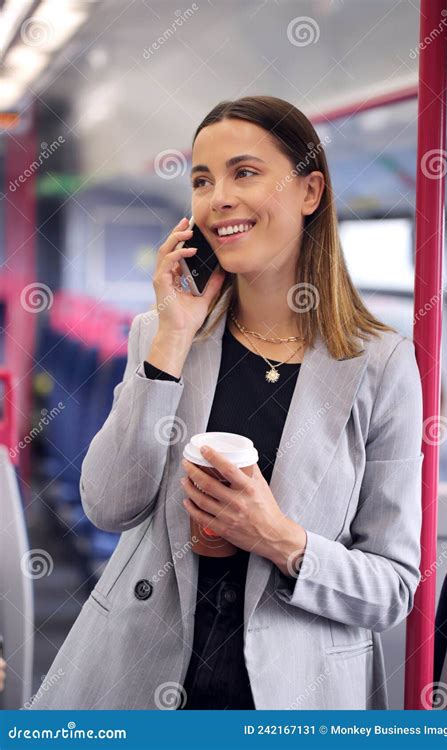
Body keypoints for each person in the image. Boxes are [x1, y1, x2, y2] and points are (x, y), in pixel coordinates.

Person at [28, 95, 424, 710]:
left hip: (292, 692)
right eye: (202, 180)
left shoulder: (381, 365)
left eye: (244, 173)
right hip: (144, 674)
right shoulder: (160, 334)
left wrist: (279, 538)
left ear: (310, 191)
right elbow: (107, 505)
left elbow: (393, 588)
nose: (219, 199)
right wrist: (172, 338)